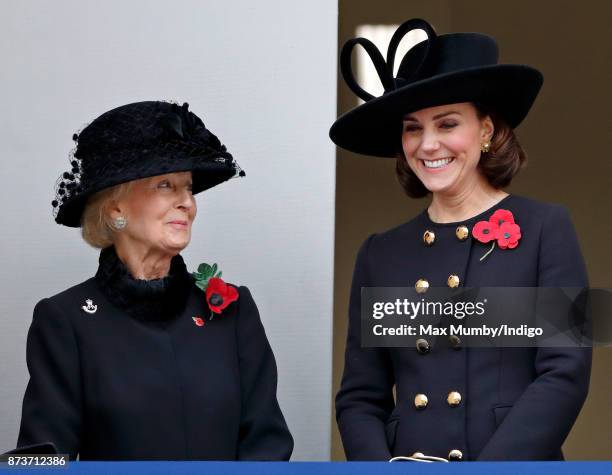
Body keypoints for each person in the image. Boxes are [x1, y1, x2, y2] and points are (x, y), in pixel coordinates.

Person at [330, 19, 591, 461]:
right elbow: (359, 398)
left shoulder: (548, 227)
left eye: (447, 123)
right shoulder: (380, 252)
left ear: (486, 130)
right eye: (413, 128)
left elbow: (566, 373)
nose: (428, 144)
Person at [16, 101, 293, 460]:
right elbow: (43, 458)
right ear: (116, 208)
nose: (187, 203)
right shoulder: (65, 320)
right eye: (166, 185)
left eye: (189, 188)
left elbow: (267, 444)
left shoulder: (234, 311)